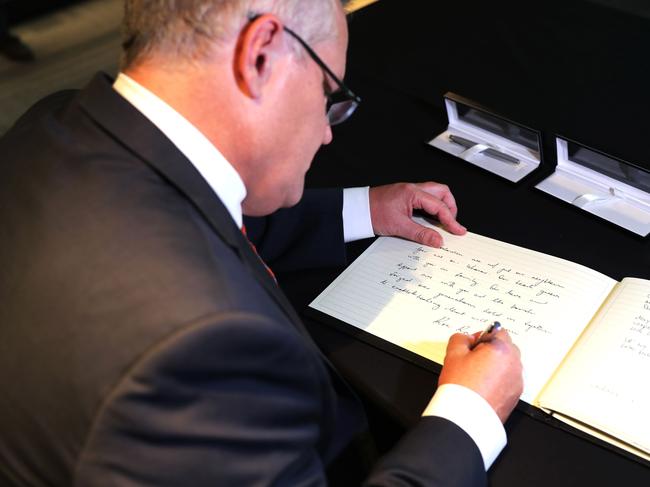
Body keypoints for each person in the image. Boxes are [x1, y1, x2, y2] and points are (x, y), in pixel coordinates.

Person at [0, 0, 523, 485]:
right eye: (329, 96)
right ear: (261, 54)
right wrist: (469, 416)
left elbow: (190, 212)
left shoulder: (58, 120)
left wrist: (362, 210)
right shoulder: (202, 352)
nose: (326, 133)